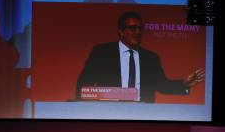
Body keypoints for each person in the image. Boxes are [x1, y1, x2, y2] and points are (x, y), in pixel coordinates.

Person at [76, 11, 205, 103]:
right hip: (110, 113)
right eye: (132, 28)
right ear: (121, 31)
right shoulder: (102, 53)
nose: (137, 32)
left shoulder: (151, 58)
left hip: (143, 114)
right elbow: (84, 84)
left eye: (140, 28)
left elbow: (162, 85)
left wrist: (184, 84)